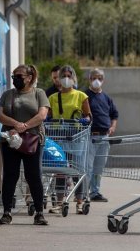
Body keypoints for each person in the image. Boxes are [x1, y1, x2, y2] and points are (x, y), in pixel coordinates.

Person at [0, 64, 50, 225]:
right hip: (10, 141)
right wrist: (15, 125)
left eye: (19, 76)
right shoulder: (7, 94)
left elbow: (42, 115)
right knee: (10, 176)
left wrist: (24, 126)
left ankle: (39, 212)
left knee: (33, 176)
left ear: (29, 77)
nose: (15, 79)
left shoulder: (38, 93)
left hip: (32, 141)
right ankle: (6, 212)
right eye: (14, 76)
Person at [47, 65, 91, 214]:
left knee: (77, 169)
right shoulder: (53, 98)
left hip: (76, 137)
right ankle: (59, 202)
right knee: (60, 170)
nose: (66, 78)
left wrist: (85, 120)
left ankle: (79, 201)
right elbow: (48, 116)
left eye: (69, 75)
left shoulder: (81, 96)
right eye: (63, 75)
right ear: (59, 79)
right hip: (58, 136)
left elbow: (88, 116)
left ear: (73, 78)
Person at [85, 68, 118, 202]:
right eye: (93, 78)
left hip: (104, 137)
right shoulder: (85, 96)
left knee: (98, 167)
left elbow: (114, 114)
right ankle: (82, 193)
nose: (96, 81)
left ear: (103, 80)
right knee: (87, 166)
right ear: (89, 79)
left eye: (99, 78)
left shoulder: (106, 98)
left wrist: (113, 126)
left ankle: (95, 192)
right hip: (90, 136)